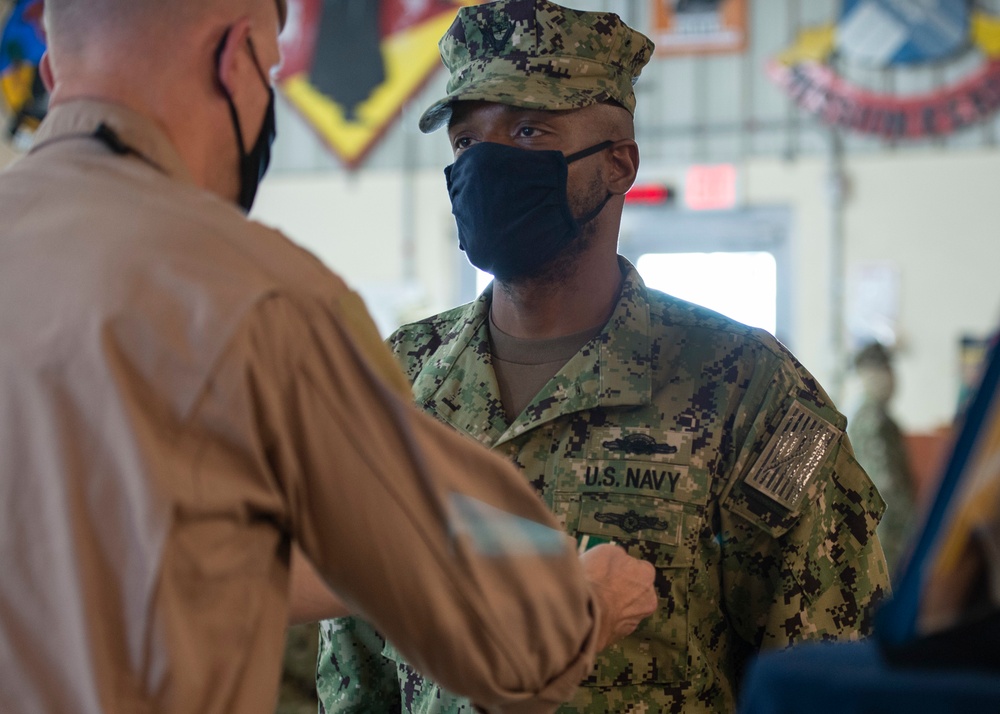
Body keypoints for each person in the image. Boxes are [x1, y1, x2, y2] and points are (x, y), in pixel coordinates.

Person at [0, 1, 660, 713]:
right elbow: (514, 643)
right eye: (272, 69)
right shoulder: (254, 299)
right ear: (235, 61)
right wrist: (588, 598)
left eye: (530, 132)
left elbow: (111, 550)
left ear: (52, 71)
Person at [317, 1, 892, 712]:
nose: (488, 165)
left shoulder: (746, 389)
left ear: (618, 164)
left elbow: (825, 668)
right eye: (468, 143)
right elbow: (354, 664)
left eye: (529, 131)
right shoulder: (393, 380)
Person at [847, 342, 918, 574]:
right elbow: (884, 488)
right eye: (881, 370)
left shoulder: (877, 418)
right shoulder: (872, 421)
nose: (889, 378)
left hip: (887, 532)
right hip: (888, 536)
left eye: (889, 369)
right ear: (866, 376)